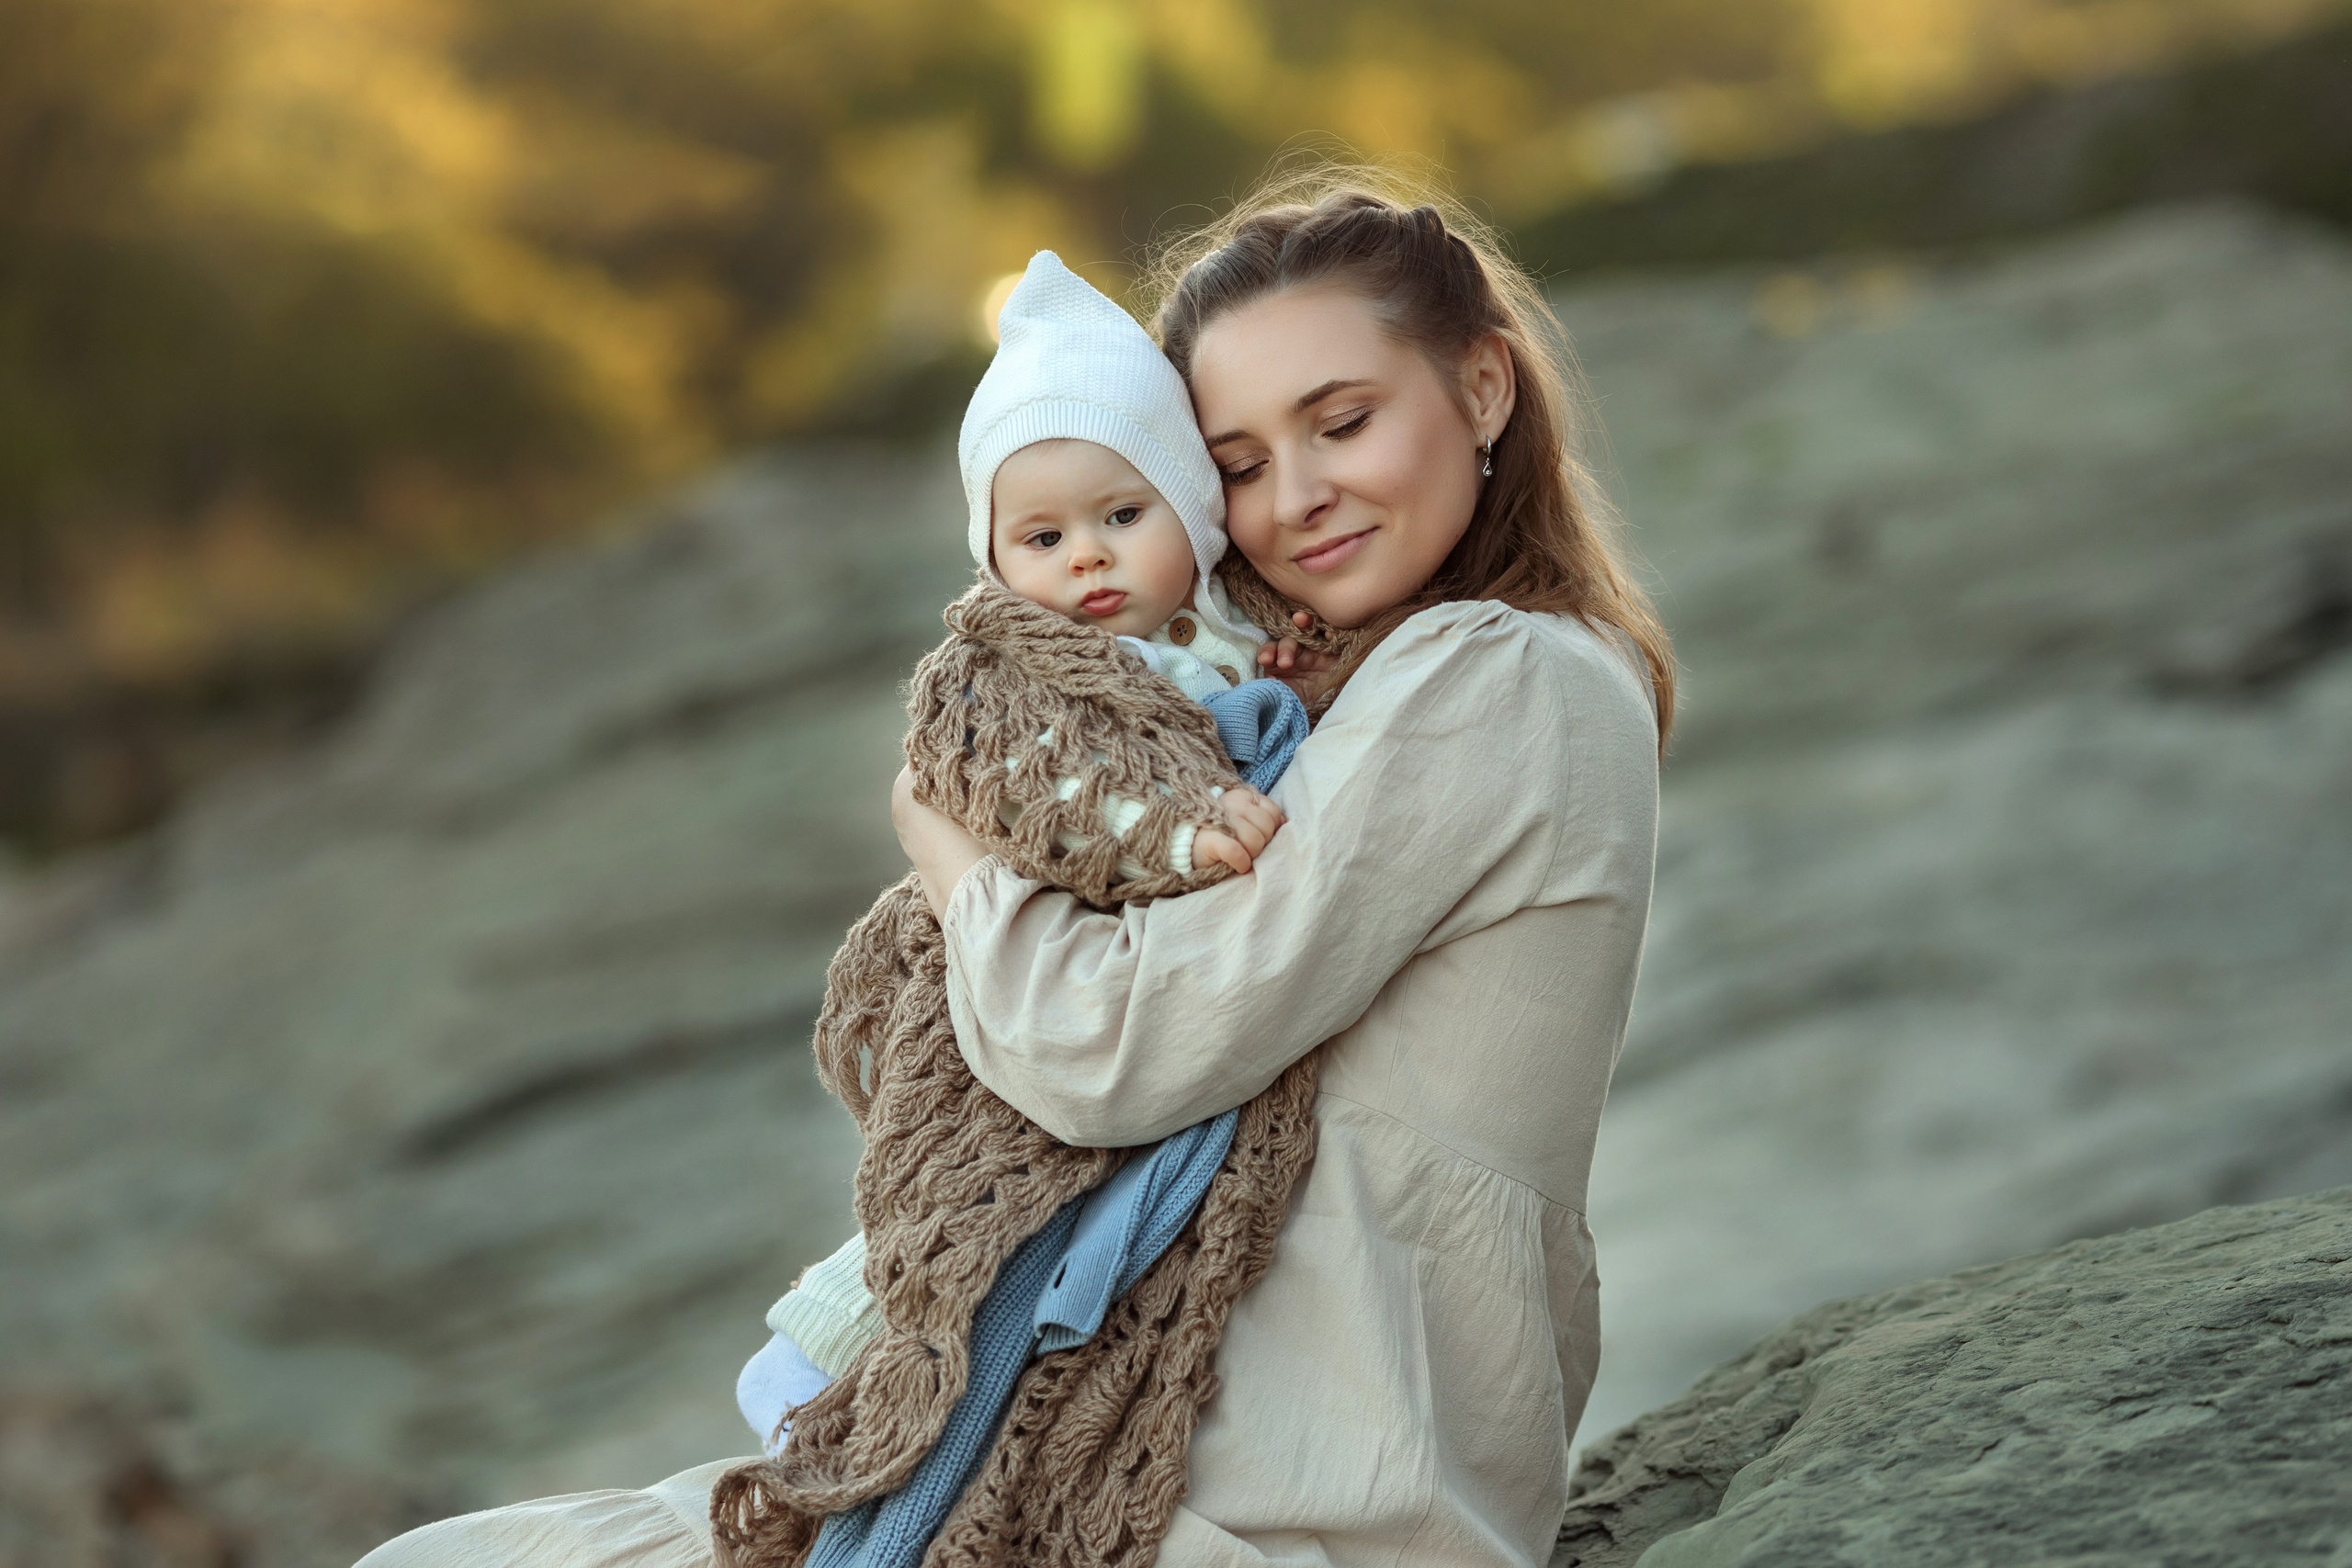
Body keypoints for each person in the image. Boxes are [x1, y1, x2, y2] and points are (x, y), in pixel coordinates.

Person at [355, 169, 1671, 1568]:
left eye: (1343, 422)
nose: (1297, 498)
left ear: (1481, 388)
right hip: (1102, 1449)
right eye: (1233, 464)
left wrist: (959, 863)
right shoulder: (1285, 713)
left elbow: (1121, 1048)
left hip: (1284, 1509)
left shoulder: (1503, 674)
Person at [735, 246, 1303, 1459]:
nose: (1085, 558)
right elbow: (1048, 799)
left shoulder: (1236, 643)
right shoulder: (1006, 677)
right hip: (998, 980)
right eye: (1039, 537)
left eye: (1120, 515)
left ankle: (962, 1396)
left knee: (1042, 1212)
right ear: (995, 560)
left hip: (1132, 996)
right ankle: (805, 1375)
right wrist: (1172, 832)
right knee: (962, 1185)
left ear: (1192, 514)